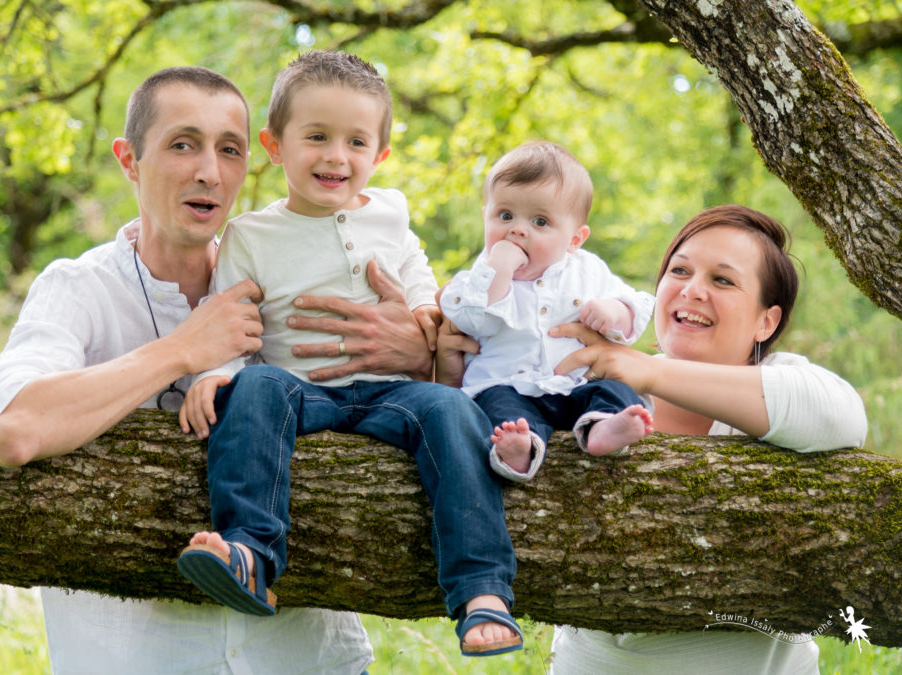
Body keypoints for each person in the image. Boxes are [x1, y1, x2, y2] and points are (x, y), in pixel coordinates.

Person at [0, 65, 429, 674]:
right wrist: (182, 351)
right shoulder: (78, 289)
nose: (210, 170)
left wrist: (421, 354)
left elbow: (428, 409)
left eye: (228, 150)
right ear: (130, 160)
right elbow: (16, 427)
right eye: (183, 144)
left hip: (304, 658)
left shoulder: (298, 272)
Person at [175, 50, 523, 658]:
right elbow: (232, 321)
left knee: (449, 410)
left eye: (356, 142)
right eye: (316, 137)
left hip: (394, 393)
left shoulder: (391, 212)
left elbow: (417, 278)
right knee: (253, 391)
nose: (337, 156)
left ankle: (481, 589)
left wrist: (423, 318)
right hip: (299, 393)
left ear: (380, 155)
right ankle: (249, 553)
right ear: (274, 145)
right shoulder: (251, 235)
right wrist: (216, 374)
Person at [440, 204, 867, 673]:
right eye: (679, 270)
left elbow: (841, 417)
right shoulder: (588, 388)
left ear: (766, 321)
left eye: (723, 280)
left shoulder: (778, 382)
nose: (692, 289)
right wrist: (445, 367)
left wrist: (650, 368)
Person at [438, 141, 655, 482]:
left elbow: (636, 307)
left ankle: (604, 429)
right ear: (485, 216)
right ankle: (518, 451)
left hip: (573, 387)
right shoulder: (476, 281)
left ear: (574, 240)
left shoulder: (588, 271)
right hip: (508, 386)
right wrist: (500, 267)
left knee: (618, 391)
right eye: (505, 215)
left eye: (540, 221)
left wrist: (613, 311)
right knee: (500, 411)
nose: (517, 230)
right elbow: (472, 317)